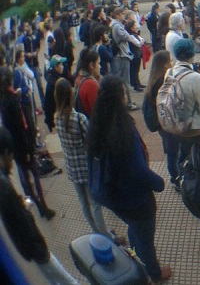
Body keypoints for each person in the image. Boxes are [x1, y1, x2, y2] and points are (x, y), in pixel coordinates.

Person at [86, 76, 171, 283]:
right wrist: (159, 183)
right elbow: (139, 171)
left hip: (112, 196)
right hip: (136, 200)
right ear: (120, 98)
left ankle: (134, 256)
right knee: (146, 240)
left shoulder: (96, 125)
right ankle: (154, 273)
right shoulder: (124, 130)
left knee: (134, 228)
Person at [0, 127, 79, 284]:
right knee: (65, 279)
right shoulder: (4, 186)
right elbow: (23, 223)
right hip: (35, 249)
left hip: (25, 249)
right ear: (5, 153)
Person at [54, 77, 125, 244]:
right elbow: (92, 143)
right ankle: (109, 237)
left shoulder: (56, 118)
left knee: (83, 203)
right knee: (95, 204)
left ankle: (98, 231)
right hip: (86, 168)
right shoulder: (79, 118)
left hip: (72, 167)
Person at [0, 66, 56, 220]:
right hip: (22, 147)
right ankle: (42, 206)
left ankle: (38, 205)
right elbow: (20, 127)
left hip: (15, 148)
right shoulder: (12, 101)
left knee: (25, 177)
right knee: (34, 176)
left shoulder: (4, 99)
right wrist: (28, 150)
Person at [167, 38, 200, 163]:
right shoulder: (195, 77)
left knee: (182, 158)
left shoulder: (169, 72)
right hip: (195, 129)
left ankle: (179, 179)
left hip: (177, 125)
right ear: (192, 55)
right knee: (198, 162)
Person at [142, 50, 181, 191]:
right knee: (173, 152)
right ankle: (175, 179)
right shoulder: (162, 82)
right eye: (170, 60)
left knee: (171, 151)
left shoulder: (154, 79)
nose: (172, 63)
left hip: (161, 124)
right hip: (166, 123)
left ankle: (175, 176)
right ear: (164, 64)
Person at [109, 7, 141, 111]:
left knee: (120, 79)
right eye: (122, 14)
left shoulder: (113, 25)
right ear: (117, 15)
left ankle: (124, 101)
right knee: (125, 80)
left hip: (118, 55)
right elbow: (128, 37)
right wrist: (139, 43)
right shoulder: (117, 26)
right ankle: (128, 103)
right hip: (122, 55)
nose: (124, 15)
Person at [73, 49, 101, 118]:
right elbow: (98, 111)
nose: (99, 66)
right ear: (91, 65)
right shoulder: (91, 84)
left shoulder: (79, 79)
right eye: (98, 63)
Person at [43, 54, 66, 132]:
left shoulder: (54, 77)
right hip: (55, 119)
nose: (62, 66)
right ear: (56, 67)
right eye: (61, 64)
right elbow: (49, 105)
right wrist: (51, 123)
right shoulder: (55, 83)